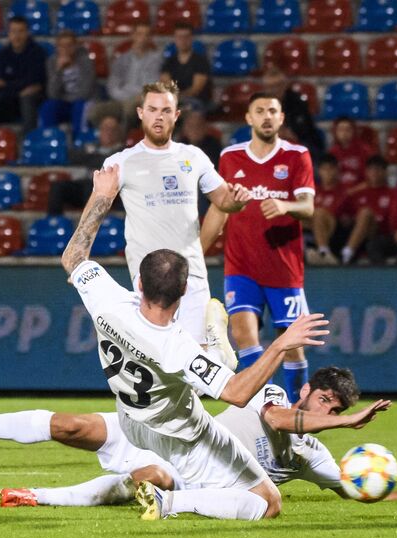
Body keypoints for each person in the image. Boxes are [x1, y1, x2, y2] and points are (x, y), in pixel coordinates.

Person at [56, 170, 330, 520]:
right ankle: (169, 503)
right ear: (184, 292)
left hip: (133, 420)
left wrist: (103, 195)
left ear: (139, 282)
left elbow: (74, 258)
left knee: (200, 373)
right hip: (179, 434)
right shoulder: (176, 347)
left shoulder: (107, 299)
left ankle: (216, 353)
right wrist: (281, 344)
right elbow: (237, 393)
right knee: (269, 502)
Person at [0, 368, 397, 507]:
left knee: (150, 482)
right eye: (326, 402)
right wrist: (348, 424)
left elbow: (355, 489)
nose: (328, 411)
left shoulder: (313, 454)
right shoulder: (274, 399)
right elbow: (282, 422)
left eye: (337, 409)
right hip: (159, 429)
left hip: (183, 469)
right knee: (71, 425)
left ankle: (35, 497)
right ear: (309, 390)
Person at [102, 81, 251, 343]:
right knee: (156, 355)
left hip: (190, 273)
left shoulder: (193, 156)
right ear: (140, 112)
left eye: (166, 110)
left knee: (198, 357)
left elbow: (223, 200)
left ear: (176, 115)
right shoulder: (119, 162)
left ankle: (215, 349)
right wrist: (78, 262)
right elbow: (95, 210)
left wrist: (238, 199)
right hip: (147, 276)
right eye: (152, 109)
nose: (159, 116)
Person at [206, 92, 316, 399]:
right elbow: (222, 205)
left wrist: (284, 206)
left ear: (281, 118)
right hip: (241, 265)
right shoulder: (230, 157)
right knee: (245, 338)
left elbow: (308, 207)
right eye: (260, 111)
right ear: (249, 118)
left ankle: (296, 417)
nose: (266, 116)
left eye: (272, 111)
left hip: (284, 268)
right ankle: (259, 413)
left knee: (292, 348)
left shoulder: (297, 155)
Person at [47, 114, 124, 216]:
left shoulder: (122, 151)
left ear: (118, 133)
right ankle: (54, 222)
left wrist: (91, 157)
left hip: (107, 191)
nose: (108, 133)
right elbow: (72, 156)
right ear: (99, 132)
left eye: (112, 129)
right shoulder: (91, 146)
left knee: (92, 185)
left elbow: (105, 162)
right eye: (105, 129)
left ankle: (90, 227)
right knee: (57, 187)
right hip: (83, 185)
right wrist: (99, 158)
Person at [91, 22, 162, 129]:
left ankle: (123, 143)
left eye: (146, 34)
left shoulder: (157, 60)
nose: (143, 38)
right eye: (139, 34)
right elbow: (112, 87)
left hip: (141, 100)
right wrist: (124, 98)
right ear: (133, 35)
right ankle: (102, 141)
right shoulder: (121, 60)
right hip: (120, 100)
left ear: (150, 38)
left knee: (129, 111)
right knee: (96, 112)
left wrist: (137, 97)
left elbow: (153, 86)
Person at [0, 16, 46, 134]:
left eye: (21, 31)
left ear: (27, 33)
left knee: (27, 96)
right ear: (9, 34)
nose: (17, 36)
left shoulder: (37, 52)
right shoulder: (3, 54)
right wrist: (15, 86)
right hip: (9, 99)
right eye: (13, 31)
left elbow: (35, 82)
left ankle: (29, 140)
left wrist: (7, 84)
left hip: (32, 99)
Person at [38, 30, 95, 135]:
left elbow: (86, 92)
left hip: (83, 101)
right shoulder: (51, 62)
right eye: (62, 46)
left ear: (75, 46)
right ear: (57, 47)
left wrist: (70, 100)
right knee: (48, 107)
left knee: (80, 106)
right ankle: (50, 138)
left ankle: (79, 141)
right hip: (63, 102)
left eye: (69, 45)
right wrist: (59, 70)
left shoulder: (85, 61)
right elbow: (52, 94)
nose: (66, 49)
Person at [341, 155, 395, 265]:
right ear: (366, 172)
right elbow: (340, 209)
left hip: (380, 232)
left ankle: (347, 253)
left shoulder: (392, 194)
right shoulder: (359, 192)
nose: (374, 172)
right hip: (356, 231)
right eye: (371, 169)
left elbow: (393, 220)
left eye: (378, 169)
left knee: (365, 213)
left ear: (385, 172)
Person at [261, 66, 324, 158]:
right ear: (265, 88)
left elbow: (309, 131)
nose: (274, 90)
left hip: (299, 145)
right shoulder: (260, 106)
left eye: (278, 85)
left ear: (285, 85)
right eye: (270, 87)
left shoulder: (297, 102)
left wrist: (293, 134)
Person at [305, 154, 349, 265]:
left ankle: (324, 252)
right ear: (319, 171)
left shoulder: (343, 191)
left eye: (331, 169)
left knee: (319, 213)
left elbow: (334, 212)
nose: (328, 173)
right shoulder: (314, 190)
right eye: (324, 169)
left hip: (336, 230)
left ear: (337, 171)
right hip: (314, 225)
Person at [160, 23, 211, 113]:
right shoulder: (169, 62)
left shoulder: (201, 61)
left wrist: (179, 97)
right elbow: (166, 84)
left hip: (196, 102)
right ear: (175, 39)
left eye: (186, 37)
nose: (183, 40)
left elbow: (196, 88)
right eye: (179, 37)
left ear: (191, 38)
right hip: (174, 102)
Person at [328, 117, 377, 188]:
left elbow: (372, 177)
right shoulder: (332, 152)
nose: (344, 133)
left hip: (362, 190)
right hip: (339, 192)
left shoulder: (365, 151)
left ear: (354, 131)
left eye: (347, 130)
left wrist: (353, 190)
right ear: (335, 132)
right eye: (341, 130)